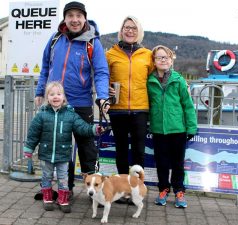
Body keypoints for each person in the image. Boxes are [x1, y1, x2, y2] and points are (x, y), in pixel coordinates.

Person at [34, 1, 109, 197]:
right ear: (65, 18)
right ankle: (63, 189)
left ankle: (96, 191)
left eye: (78, 16)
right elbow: (44, 67)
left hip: (80, 103)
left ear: (85, 18)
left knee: (86, 148)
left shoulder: (93, 42)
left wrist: (102, 97)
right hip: (54, 104)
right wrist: (40, 92)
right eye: (70, 16)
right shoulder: (55, 39)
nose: (74, 20)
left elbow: (101, 72)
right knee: (59, 147)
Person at [24, 82, 102, 213]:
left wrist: (94, 129)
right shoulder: (41, 115)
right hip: (46, 153)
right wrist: (29, 149)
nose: (56, 97)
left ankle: (63, 199)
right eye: (52, 94)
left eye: (59, 94)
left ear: (64, 97)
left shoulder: (70, 114)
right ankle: (47, 199)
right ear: (47, 97)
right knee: (46, 177)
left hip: (63, 154)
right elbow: (33, 133)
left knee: (63, 178)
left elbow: (82, 127)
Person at [105, 16, 154, 203]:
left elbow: (154, 80)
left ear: (139, 31)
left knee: (139, 151)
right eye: (126, 27)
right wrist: (106, 88)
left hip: (141, 109)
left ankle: (137, 190)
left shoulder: (147, 55)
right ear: (121, 30)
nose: (130, 31)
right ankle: (123, 190)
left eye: (133, 28)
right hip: (117, 109)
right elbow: (102, 77)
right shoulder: (110, 54)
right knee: (121, 151)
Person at [147, 45, 197, 208]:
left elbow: (187, 105)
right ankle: (163, 189)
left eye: (166, 57)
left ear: (171, 60)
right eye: (159, 57)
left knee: (177, 163)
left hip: (177, 130)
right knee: (161, 162)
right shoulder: (150, 81)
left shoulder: (178, 80)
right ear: (154, 61)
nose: (163, 60)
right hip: (158, 129)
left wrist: (191, 127)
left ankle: (179, 191)